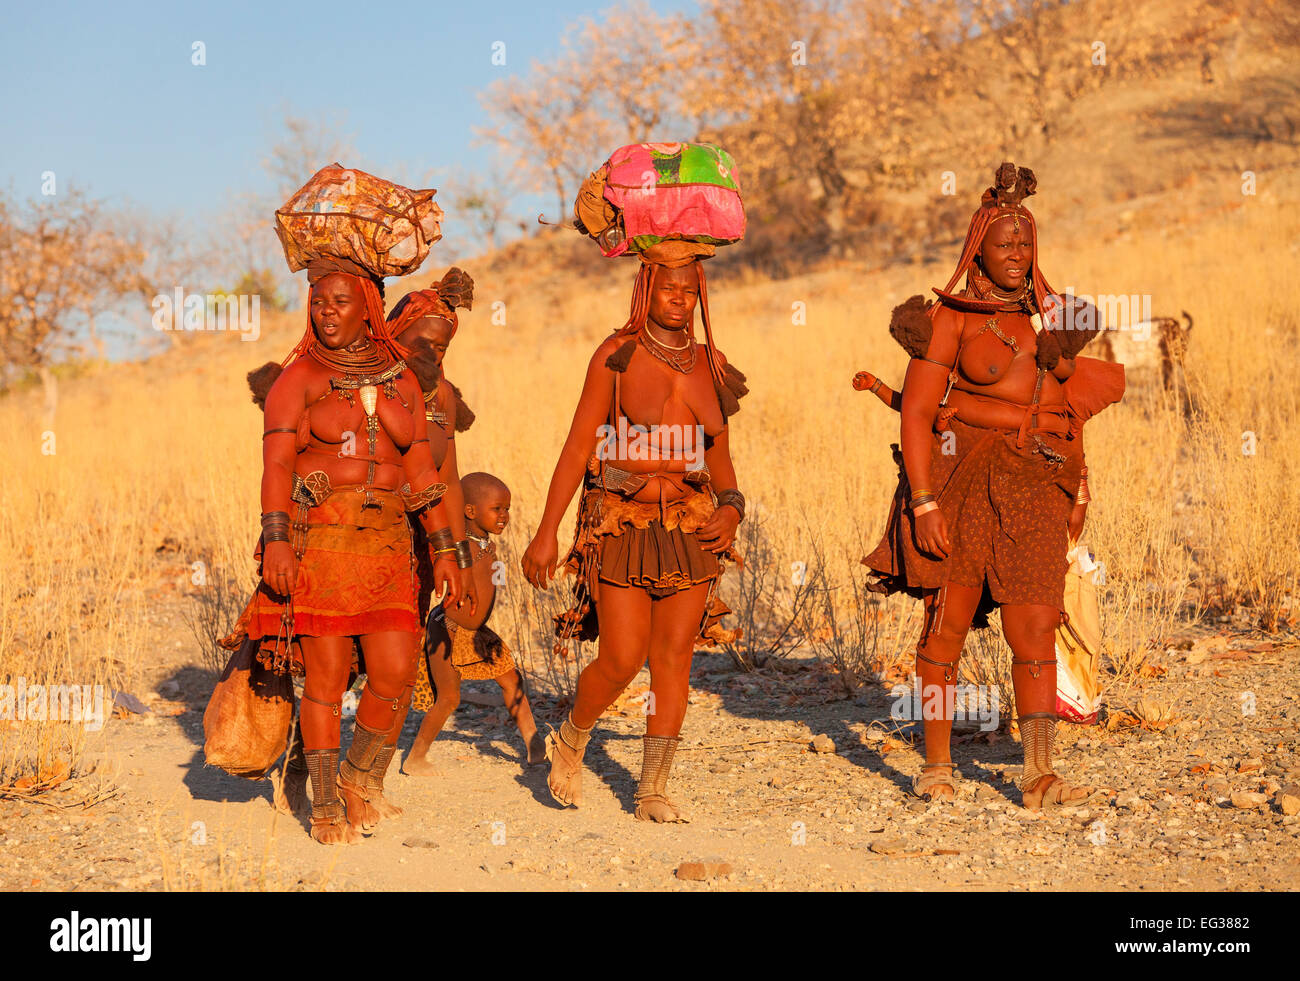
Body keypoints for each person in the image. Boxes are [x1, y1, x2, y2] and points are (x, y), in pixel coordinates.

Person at [862, 162, 1120, 810]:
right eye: (1005, 244)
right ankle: (938, 764)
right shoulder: (950, 318)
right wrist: (922, 500)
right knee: (945, 626)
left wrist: (1078, 487)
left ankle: (1038, 774)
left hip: (1037, 483)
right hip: (964, 479)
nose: (1017, 254)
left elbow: (1068, 411)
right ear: (978, 247)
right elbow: (918, 413)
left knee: (1034, 627)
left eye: (1026, 244)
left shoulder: (1048, 317)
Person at [227, 257, 465, 843]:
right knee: (327, 678)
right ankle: (325, 804)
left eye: (338, 301)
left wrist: (442, 548)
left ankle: (360, 777)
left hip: (388, 544)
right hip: (322, 542)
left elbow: (421, 469)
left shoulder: (401, 378)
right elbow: (277, 464)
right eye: (317, 299)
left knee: (394, 671)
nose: (325, 311)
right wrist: (277, 540)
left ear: (368, 305)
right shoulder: (299, 378)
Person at [521, 241, 747, 822]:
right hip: (622, 519)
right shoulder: (615, 355)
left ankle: (652, 789)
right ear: (646, 287)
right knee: (622, 657)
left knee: (673, 658)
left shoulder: (708, 363)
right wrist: (546, 532)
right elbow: (578, 447)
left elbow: (720, 460)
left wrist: (732, 508)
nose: (681, 297)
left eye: (691, 287)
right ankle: (572, 736)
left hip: (692, 525)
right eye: (669, 286)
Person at [406, 471, 547, 771]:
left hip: (478, 633)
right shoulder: (459, 551)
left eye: (507, 509)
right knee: (448, 699)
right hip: (448, 631)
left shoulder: (487, 546)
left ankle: (536, 748)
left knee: (513, 682)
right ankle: (416, 756)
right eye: (497, 509)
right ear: (470, 511)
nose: (505, 516)